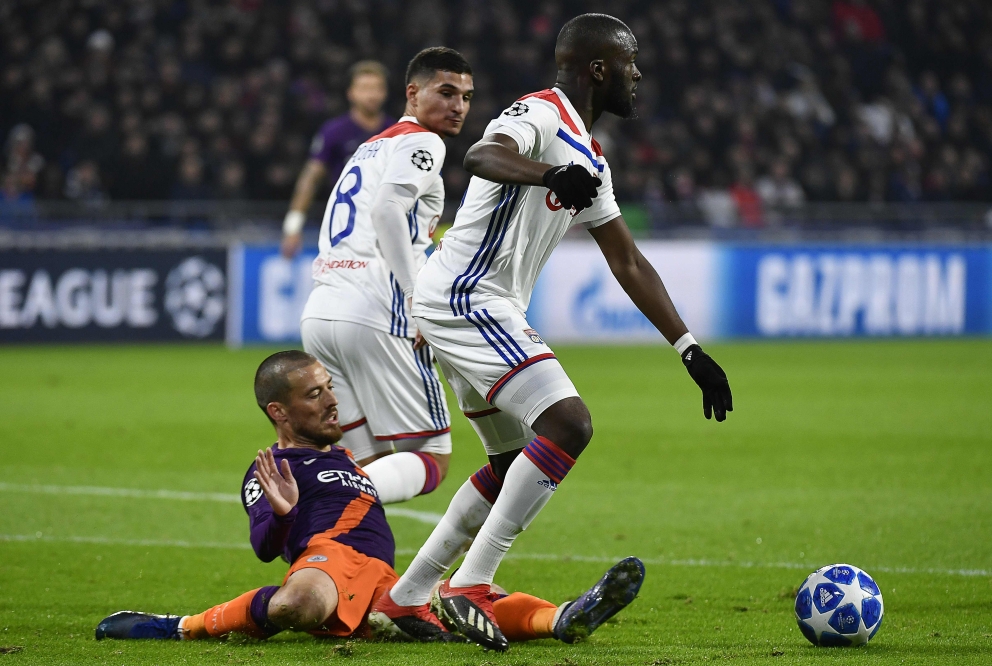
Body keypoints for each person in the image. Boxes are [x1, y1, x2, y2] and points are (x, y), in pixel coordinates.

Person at [376, 13, 733, 651]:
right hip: (467, 295)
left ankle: (410, 595)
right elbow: (482, 154)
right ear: (599, 68)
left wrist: (691, 350)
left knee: (512, 460)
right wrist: (547, 175)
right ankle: (473, 583)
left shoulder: (591, 156)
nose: (638, 75)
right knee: (568, 423)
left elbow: (627, 262)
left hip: (463, 302)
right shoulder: (542, 112)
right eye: (630, 63)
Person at [93, 351, 644, 644]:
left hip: (382, 577)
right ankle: (180, 626)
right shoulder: (272, 467)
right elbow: (264, 545)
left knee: (470, 604)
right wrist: (282, 519)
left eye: (331, 387)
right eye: (315, 394)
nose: (332, 401)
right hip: (326, 565)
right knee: (298, 604)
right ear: (278, 413)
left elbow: (422, 469)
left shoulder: (346, 461)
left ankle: (563, 618)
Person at [298, 48, 474, 507]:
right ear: (413, 94)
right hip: (378, 310)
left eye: (466, 97)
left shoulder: (370, 145)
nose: (458, 106)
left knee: (363, 463)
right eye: (447, 92)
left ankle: (342, 567)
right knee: (431, 458)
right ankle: (312, 501)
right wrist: (418, 298)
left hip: (322, 312)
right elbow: (386, 210)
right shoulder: (423, 142)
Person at [281, 61, 394, 259]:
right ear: (351, 93)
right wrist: (293, 227)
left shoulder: (397, 133)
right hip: (346, 231)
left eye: (377, 88)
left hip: (390, 229)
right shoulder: (334, 132)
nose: (372, 95)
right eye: (365, 88)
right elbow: (310, 179)